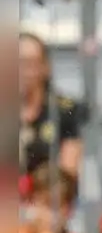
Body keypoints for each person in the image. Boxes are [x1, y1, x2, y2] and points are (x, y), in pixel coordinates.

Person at [19, 32, 87, 184]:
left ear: (45, 67)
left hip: (49, 195)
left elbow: (67, 177)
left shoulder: (65, 111)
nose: (22, 71)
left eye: (29, 63)